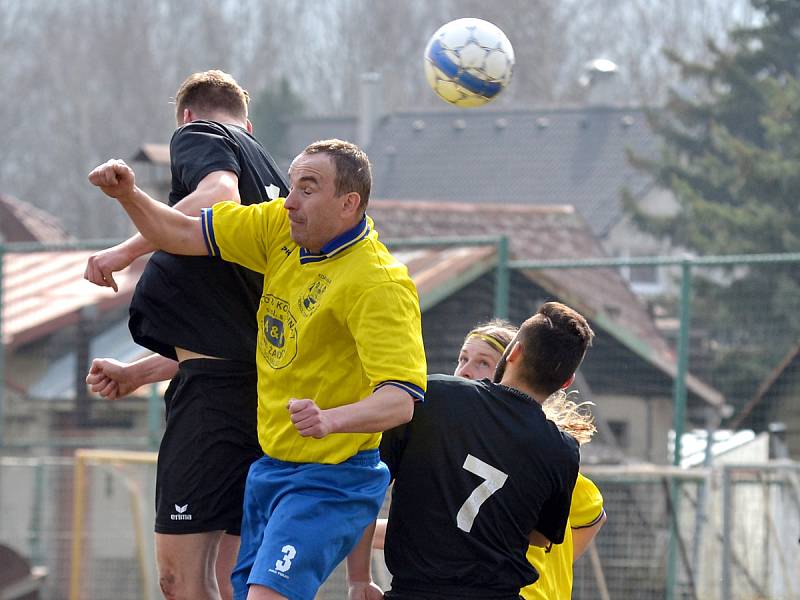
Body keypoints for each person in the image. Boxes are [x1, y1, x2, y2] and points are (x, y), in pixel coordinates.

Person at [86, 138, 427, 600]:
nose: (290, 201)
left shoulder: (378, 284)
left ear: (349, 203)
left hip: (334, 477)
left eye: (308, 189)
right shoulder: (279, 227)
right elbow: (181, 234)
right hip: (271, 469)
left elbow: (401, 400)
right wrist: (129, 195)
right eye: (291, 185)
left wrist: (331, 420)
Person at [83, 70, 289, 600]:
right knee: (236, 579)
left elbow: (215, 196)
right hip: (263, 393)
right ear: (249, 122)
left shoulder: (204, 134)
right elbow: (226, 336)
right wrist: (135, 373)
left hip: (214, 404)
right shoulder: (278, 185)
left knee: (180, 579)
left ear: (187, 116)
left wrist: (123, 250)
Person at [363, 302, 593, 599]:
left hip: (414, 589)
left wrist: (360, 577)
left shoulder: (430, 398)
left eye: (481, 362)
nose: (467, 370)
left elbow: (366, 485)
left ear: (513, 352)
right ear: (566, 382)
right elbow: (539, 537)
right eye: (464, 359)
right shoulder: (562, 451)